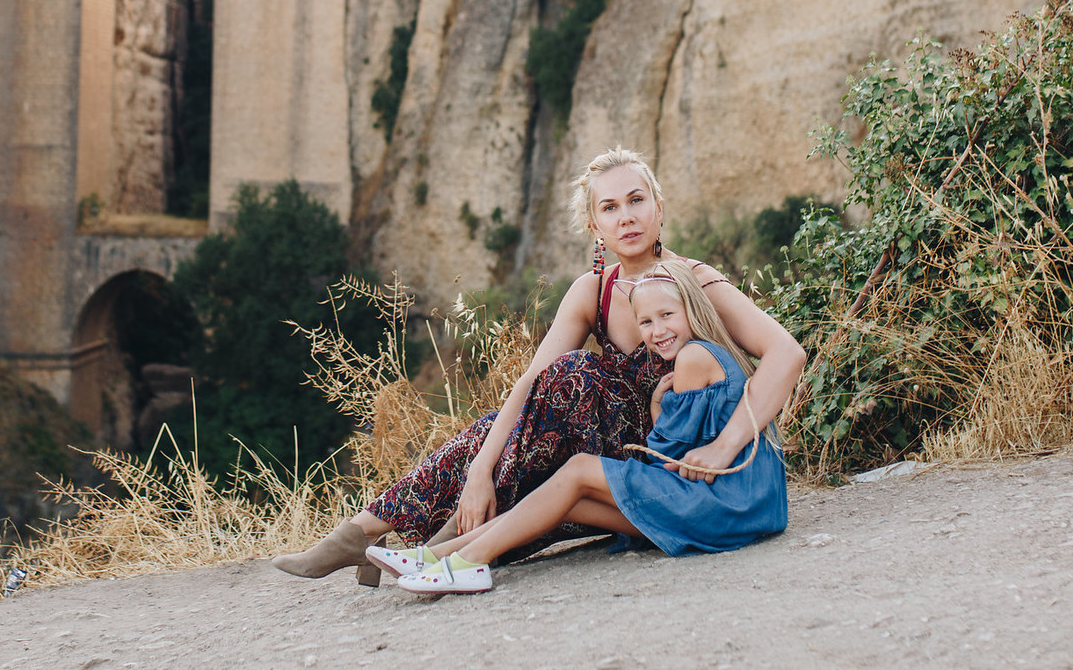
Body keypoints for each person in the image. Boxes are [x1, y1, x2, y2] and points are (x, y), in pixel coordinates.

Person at [271, 148, 805, 583]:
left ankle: (434, 541)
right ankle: (369, 535)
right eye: (611, 208)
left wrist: (725, 444)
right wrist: (480, 468)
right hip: (596, 448)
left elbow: (787, 353)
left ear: (659, 208)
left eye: (637, 200)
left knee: (575, 377)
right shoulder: (592, 290)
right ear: (595, 225)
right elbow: (530, 383)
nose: (627, 217)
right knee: (529, 409)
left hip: (663, 456)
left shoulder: (693, 280)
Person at [377, 263, 790, 594]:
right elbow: (677, 452)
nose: (657, 331)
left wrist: (655, 406)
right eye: (646, 322)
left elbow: (668, 457)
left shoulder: (693, 360)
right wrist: (657, 405)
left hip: (728, 503)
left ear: (693, 310)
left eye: (667, 316)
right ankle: (437, 556)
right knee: (568, 500)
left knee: (578, 470)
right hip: (744, 505)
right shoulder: (705, 353)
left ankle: (468, 563)